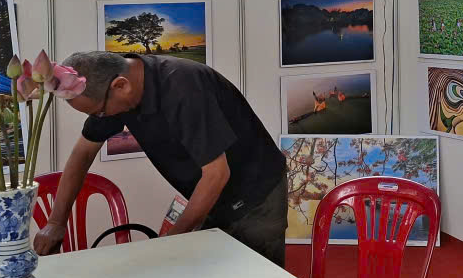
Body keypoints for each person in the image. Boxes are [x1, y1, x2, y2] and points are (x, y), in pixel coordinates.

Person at [33, 51, 288, 266]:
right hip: (210, 195)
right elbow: (83, 153)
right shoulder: (114, 91)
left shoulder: (182, 87)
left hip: (256, 192)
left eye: (99, 113)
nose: (100, 118)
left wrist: (170, 241)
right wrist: (56, 221)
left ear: (121, 86)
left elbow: (217, 174)